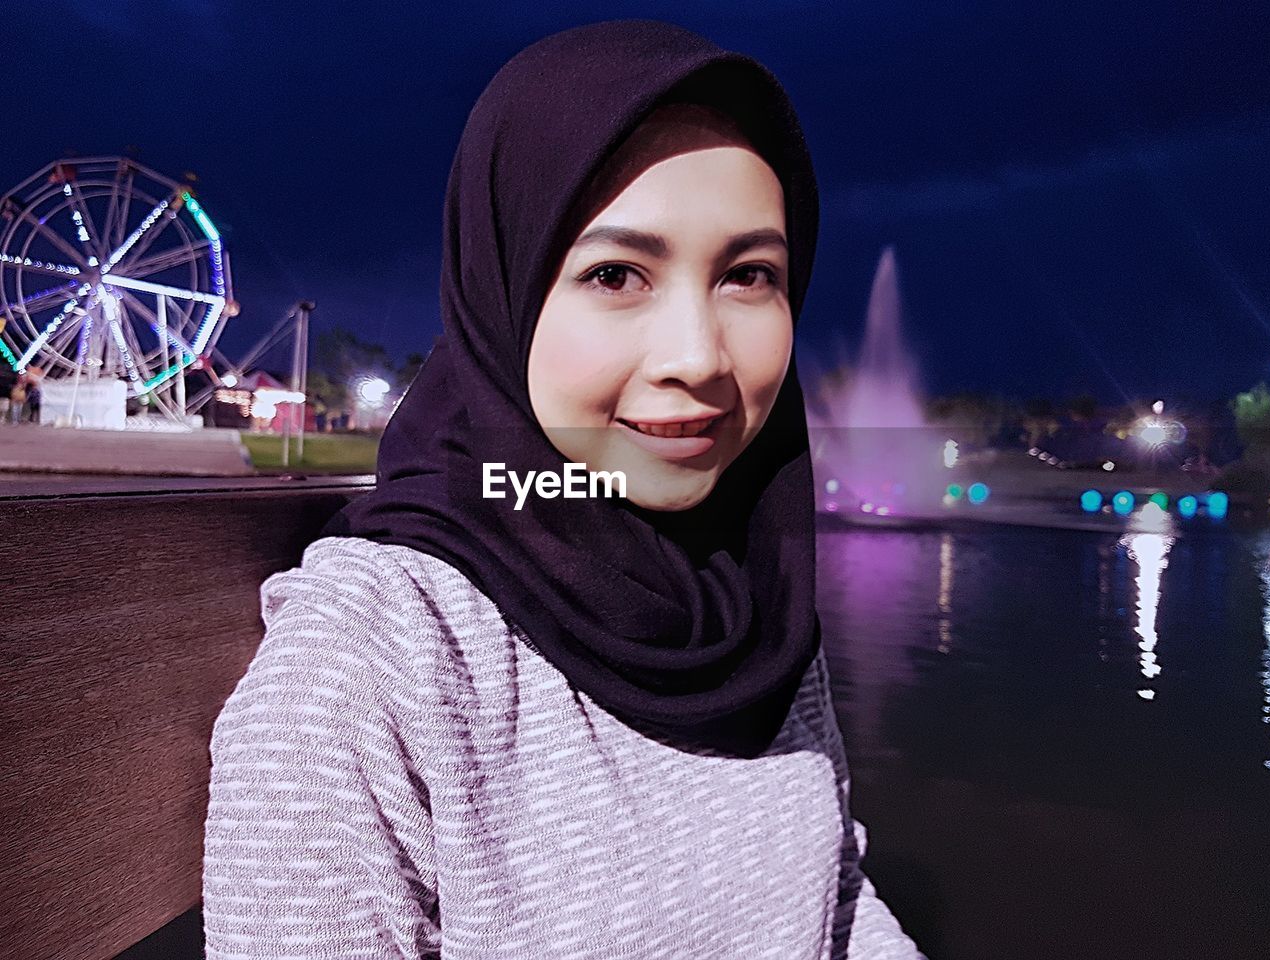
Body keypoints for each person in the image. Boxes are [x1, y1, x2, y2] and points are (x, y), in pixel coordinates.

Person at [203, 19, 924, 960]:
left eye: (750, 276)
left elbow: (837, 903)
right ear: (500, 288)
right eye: (616, 273)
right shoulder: (376, 663)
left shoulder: (753, 595)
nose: (699, 357)